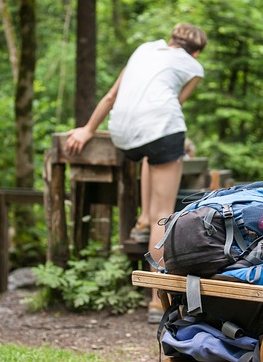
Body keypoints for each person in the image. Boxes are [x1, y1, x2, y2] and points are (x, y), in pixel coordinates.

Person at [64, 23, 208, 323]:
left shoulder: (143, 49)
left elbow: (110, 96)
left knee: (152, 156)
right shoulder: (195, 67)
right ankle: (156, 299)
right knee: (164, 212)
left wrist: (88, 129)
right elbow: (174, 104)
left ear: (170, 39)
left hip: (123, 134)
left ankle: (142, 220)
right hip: (160, 130)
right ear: (195, 51)